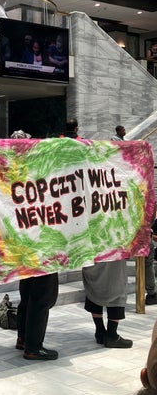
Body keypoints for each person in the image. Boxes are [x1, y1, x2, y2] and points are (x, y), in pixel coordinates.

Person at [67, 121, 133, 349]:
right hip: (111, 245)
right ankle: (111, 335)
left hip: (91, 244)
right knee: (116, 293)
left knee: (94, 291)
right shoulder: (115, 189)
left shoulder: (84, 191)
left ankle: (100, 332)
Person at [10, 129, 60, 360]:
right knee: (41, 298)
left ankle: (23, 338)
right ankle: (33, 346)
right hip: (42, 247)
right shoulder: (40, 177)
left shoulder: (10, 176)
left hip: (25, 246)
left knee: (28, 295)